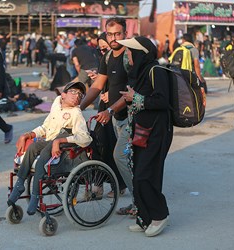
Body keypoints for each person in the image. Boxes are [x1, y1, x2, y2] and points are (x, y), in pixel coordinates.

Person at [6, 81, 92, 215]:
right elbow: (46, 127)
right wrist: (27, 135)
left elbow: (85, 138)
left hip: (64, 148)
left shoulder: (76, 113)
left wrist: (60, 140)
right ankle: (20, 184)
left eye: (80, 94)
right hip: (50, 140)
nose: (77, 96)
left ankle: (35, 196)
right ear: (63, 95)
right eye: (73, 92)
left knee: (45, 152)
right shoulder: (57, 104)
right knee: (33, 146)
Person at [118, 36, 173, 237]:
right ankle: (145, 218)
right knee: (137, 174)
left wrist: (136, 98)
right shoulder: (140, 73)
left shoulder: (156, 71)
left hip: (157, 132)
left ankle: (159, 216)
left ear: (141, 53)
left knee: (146, 175)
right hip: (142, 131)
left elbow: (162, 101)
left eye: (131, 52)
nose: (128, 56)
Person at [80, 17, 135, 216]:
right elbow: (96, 86)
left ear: (125, 33)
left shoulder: (130, 55)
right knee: (127, 158)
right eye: (110, 34)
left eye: (117, 34)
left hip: (133, 116)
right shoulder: (108, 56)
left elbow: (131, 91)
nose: (113, 38)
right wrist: (80, 106)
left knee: (120, 155)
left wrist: (110, 109)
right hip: (116, 118)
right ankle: (139, 200)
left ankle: (141, 202)